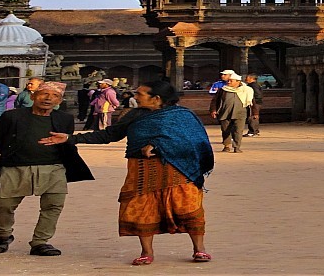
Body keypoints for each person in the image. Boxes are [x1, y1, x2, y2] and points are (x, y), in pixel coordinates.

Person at [43, 80, 213, 265]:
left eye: (140, 94)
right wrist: (70, 138)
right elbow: (109, 135)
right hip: (141, 170)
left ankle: (199, 249)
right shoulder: (134, 115)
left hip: (179, 169)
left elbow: (196, 142)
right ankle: (147, 252)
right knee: (141, 209)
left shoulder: (182, 116)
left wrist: (159, 145)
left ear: (156, 99)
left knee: (188, 207)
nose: (135, 97)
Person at [0, 81, 88, 257]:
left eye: (54, 96)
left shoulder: (64, 119)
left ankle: (40, 242)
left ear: (59, 101)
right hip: (15, 167)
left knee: (53, 205)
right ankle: (3, 235)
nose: (48, 98)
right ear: (32, 96)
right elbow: (0, 137)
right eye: (44, 94)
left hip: (53, 167)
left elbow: (66, 140)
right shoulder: (12, 117)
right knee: (4, 204)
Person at [208, 73, 251, 153]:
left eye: (231, 81)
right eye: (228, 80)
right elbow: (215, 101)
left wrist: (255, 113)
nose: (229, 82)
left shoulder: (246, 90)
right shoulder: (223, 90)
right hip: (225, 112)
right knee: (225, 130)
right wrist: (213, 110)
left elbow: (252, 102)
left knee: (238, 130)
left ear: (238, 81)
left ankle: (236, 147)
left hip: (240, 113)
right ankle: (226, 145)